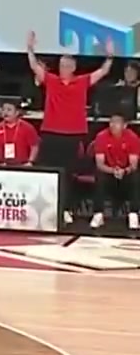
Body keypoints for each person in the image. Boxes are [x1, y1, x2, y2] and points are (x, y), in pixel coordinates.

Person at [26, 30, 113, 225]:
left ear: (73, 68)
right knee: (48, 170)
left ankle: (66, 208)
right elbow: (34, 67)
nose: (63, 68)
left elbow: (103, 72)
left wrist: (109, 56)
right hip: (51, 132)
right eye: (61, 65)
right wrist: (30, 49)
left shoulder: (82, 81)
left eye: (66, 65)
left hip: (72, 135)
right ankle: (49, 208)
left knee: (68, 173)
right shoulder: (52, 80)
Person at [90, 113, 140, 230]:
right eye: (111, 122)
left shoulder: (132, 138)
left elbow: (133, 165)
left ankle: (133, 214)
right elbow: (100, 164)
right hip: (108, 172)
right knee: (99, 177)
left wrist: (124, 171)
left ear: (125, 125)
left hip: (125, 173)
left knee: (136, 177)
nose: (113, 125)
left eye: (117, 123)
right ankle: (98, 214)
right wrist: (113, 171)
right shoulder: (101, 136)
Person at [0, 100, 40, 166]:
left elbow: (34, 146)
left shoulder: (27, 127)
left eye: (9, 110)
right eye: (3, 110)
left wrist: (30, 162)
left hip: (22, 165)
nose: (5, 112)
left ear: (17, 112)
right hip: (2, 165)